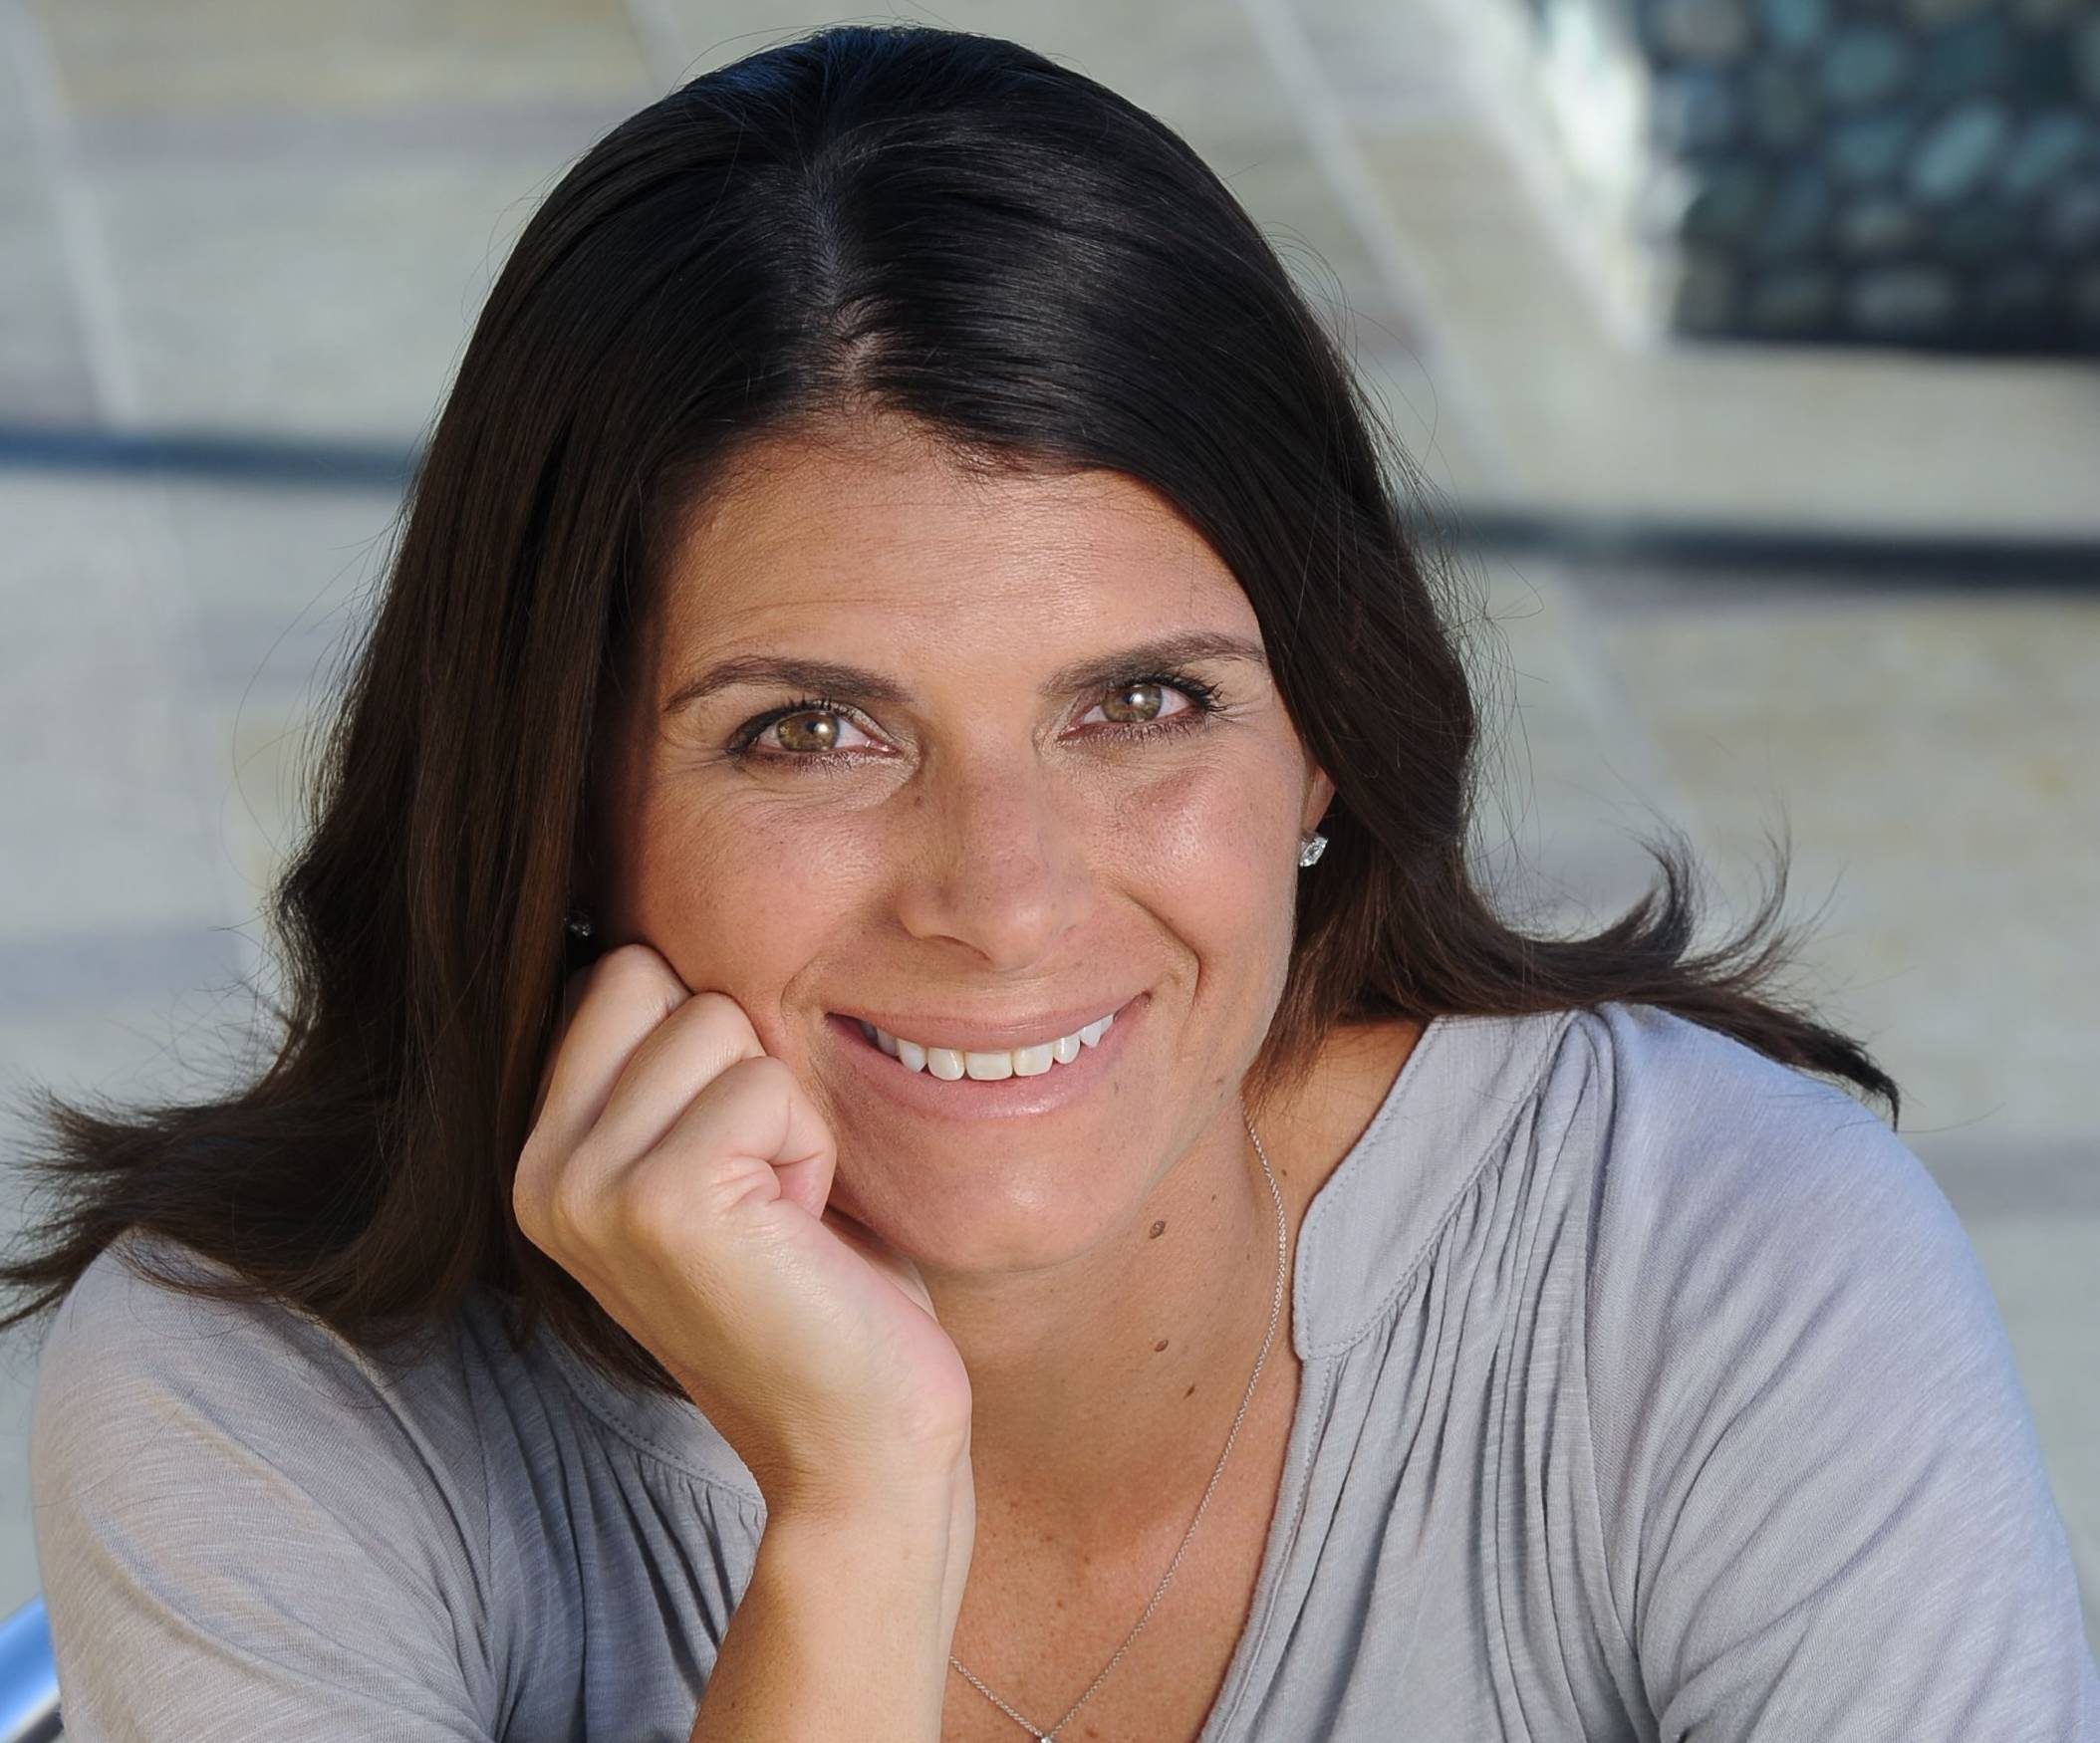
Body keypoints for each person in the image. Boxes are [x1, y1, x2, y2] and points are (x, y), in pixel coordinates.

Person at [9, 23, 2096, 1742]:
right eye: (808, 729)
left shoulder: (1707, 1264)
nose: (1002, 897)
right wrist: (855, 1512)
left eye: (1140, 702)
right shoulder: (265, 1408)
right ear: (558, 799)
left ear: (1322, 745)